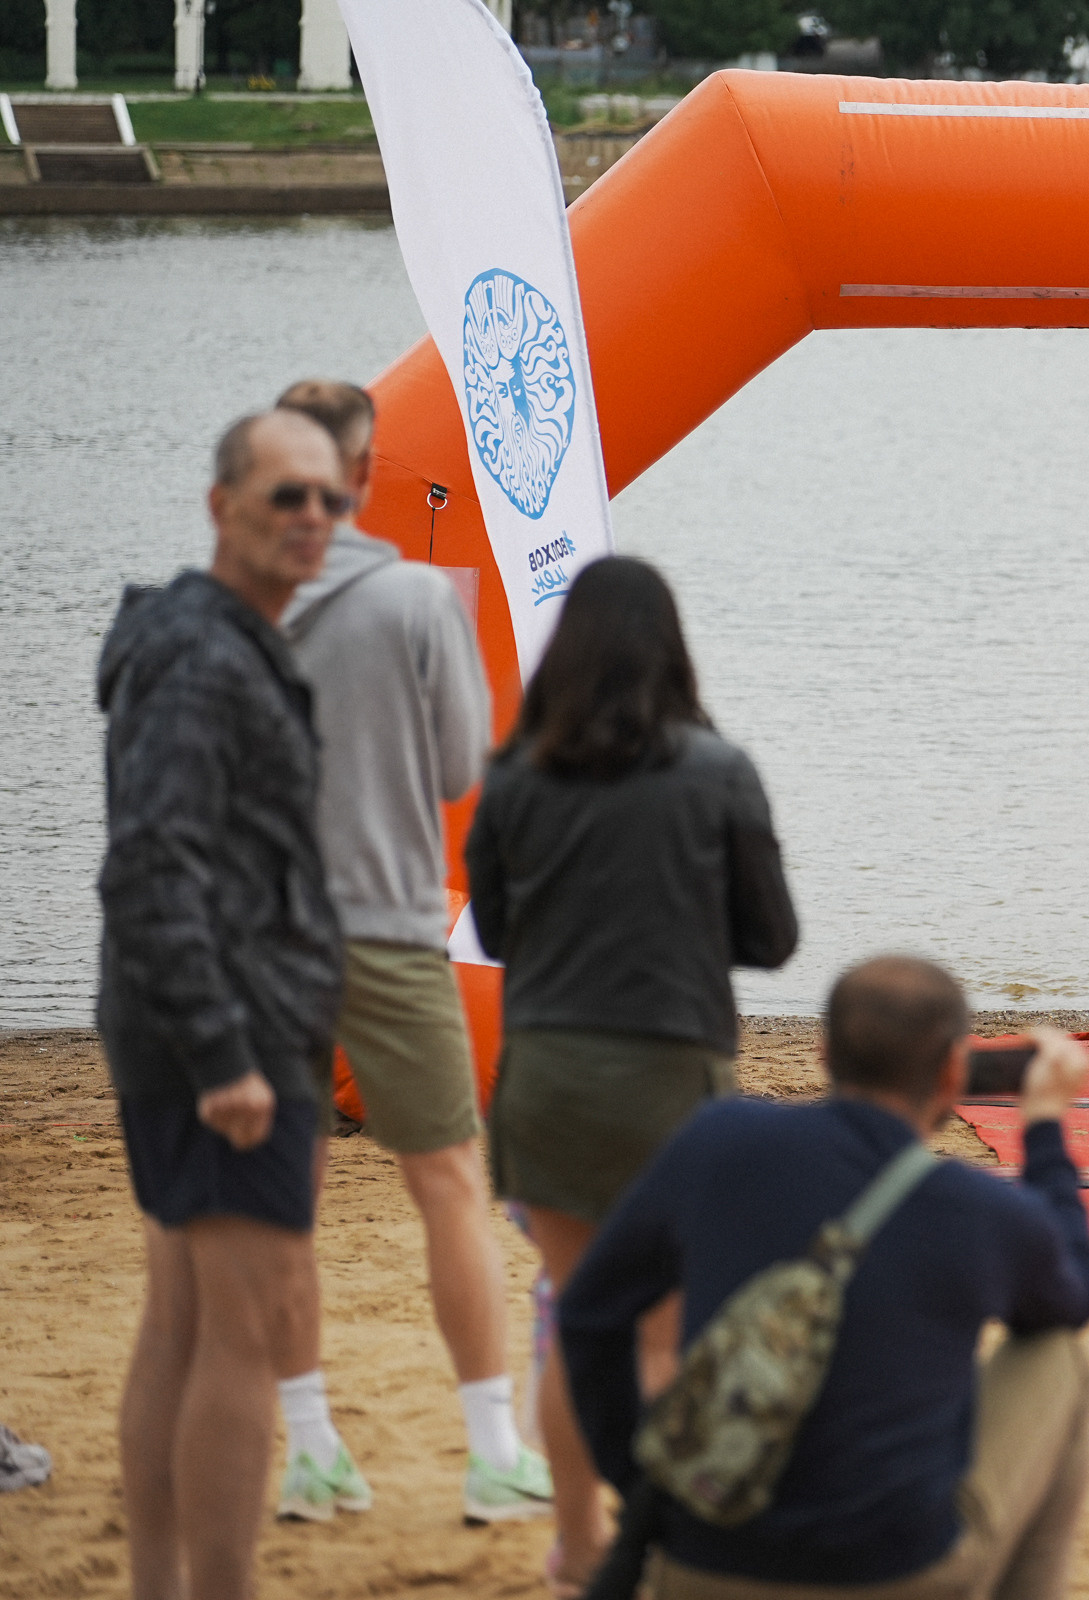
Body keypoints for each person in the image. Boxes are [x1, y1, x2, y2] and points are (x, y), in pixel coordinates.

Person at [559, 956, 1089, 1600]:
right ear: (954, 1070)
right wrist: (1043, 1128)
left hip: (701, 1563)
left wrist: (643, 1482)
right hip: (896, 1575)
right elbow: (1072, 1295)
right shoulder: (976, 1208)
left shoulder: (717, 1139)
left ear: (822, 1054)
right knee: (1059, 1359)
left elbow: (588, 1312)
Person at [466, 555, 800, 1594]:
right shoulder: (718, 768)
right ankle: (660, 1549)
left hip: (548, 1076)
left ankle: (576, 1542)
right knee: (663, 1333)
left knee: (576, 1312)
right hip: (670, 1074)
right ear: (672, 649)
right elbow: (773, 937)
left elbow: (491, 926)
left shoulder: (514, 774)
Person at [270, 379, 551, 1523]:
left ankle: (306, 1442)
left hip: (263, 927)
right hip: (382, 922)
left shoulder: (223, 601)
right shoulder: (410, 601)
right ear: (362, 466)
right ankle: (491, 1448)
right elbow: (455, 773)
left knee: (278, 1196)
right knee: (446, 1184)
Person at [99, 409, 347, 1600]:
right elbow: (152, 862)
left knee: (187, 1322)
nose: (312, 518)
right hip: (224, 1039)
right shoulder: (203, 656)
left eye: (329, 500)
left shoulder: (224, 640)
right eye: (286, 495)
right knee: (234, 1330)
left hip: (212, 1025)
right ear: (222, 507)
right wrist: (222, 1053)